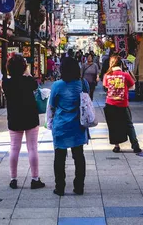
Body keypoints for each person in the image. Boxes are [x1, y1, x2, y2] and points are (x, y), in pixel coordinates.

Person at [3, 54, 45, 190]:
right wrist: (26, 72)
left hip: (14, 117)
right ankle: (35, 178)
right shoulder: (29, 81)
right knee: (32, 148)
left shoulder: (6, 83)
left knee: (14, 148)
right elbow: (34, 85)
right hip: (30, 117)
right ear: (23, 67)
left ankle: (13, 179)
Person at [48, 57, 90, 196]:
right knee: (79, 156)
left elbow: (52, 105)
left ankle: (59, 187)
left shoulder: (57, 85)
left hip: (61, 126)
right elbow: (86, 100)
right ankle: (79, 187)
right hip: (78, 125)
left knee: (59, 157)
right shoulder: (83, 83)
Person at [103, 55, 142, 154]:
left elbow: (106, 87)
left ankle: (117, 146)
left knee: (113, 125)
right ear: (121, 64)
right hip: (123, 104)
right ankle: (135, 145)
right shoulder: (125, 75)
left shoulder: (107, 75)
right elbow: (133, 87)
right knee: (129, 125)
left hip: (110, 103)